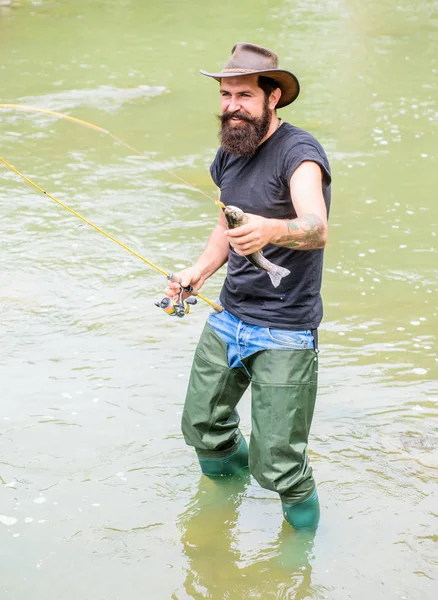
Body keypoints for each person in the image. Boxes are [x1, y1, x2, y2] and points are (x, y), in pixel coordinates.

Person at [165, 42, 331, 530]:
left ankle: (297, 562)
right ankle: (220, 517)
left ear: (272, 97)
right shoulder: (230, 152)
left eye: (243, 95)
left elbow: (316, 227)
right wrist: (198, 272)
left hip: (285, 330)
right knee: (202, 429)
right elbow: (226, 223)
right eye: (225, 94)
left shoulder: (300, 155)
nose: (231, 106)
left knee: (279, 463)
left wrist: (274, 229)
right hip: (228, 317)